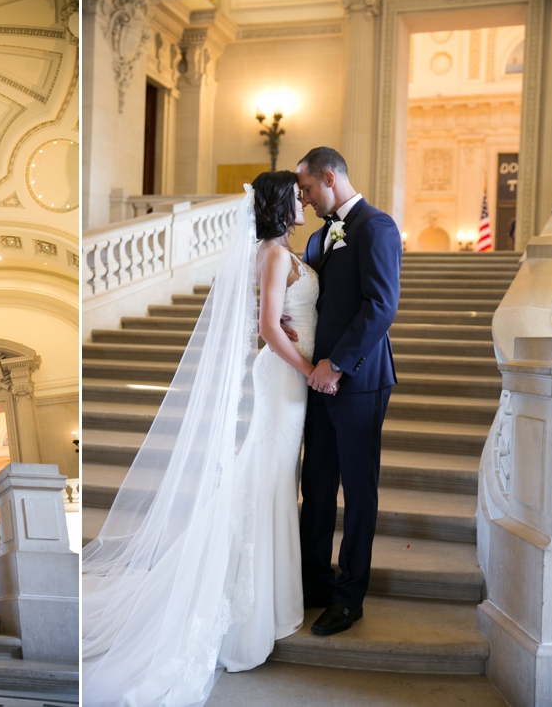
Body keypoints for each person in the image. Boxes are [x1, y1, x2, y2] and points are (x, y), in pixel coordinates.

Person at [82, 170, 323, 707]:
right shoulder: (273, 255)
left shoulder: (286, 252)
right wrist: (307, 366)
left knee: (272, 483)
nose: (304, 200)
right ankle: (247, 611)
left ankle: (273, 600)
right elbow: (265, 325)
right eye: (297, 195)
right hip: (284, 376)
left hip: (290, 376)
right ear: (281, 204)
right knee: (266, 480)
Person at [292, 147, 401, 636]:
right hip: (316, 378)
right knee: (315, 484)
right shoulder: (319, 236)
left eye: (309, 189)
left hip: (358, 380)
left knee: (358, 491)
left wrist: (337, 364)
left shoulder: (376, 227)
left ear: (330, 178)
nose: (305, 198)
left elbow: (381, 305)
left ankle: (349, 595)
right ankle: (313, 579)